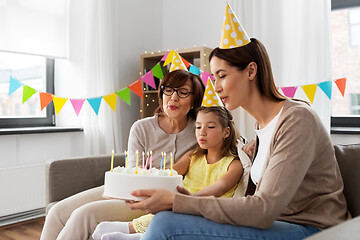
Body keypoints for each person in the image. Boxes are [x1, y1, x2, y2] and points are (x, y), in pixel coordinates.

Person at [125, 38, 351, 239]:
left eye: (222, 76)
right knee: (166, 219)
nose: (216, 86)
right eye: (213, 78)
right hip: (277, 223)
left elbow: (263, 209)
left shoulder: (296, 120)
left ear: (251, 71)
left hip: (313, 228)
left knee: (166, 224)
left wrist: (181, 202)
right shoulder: (261, 128)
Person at [40, 69, 205, 240]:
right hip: (126, 190)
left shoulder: (201, 131)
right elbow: (134, 174)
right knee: (57, 212)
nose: (173, 97)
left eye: (183, 92)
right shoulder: (141, 128)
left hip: (151, 202)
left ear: (194, 100)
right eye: (168, 90)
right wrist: (182, 164)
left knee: (83, 215)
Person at [92, 106, 244, 240]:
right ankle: (133, 230)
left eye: (210, 127)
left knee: (169, 217)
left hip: (207, 211)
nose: (202, 132)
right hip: (182, 205)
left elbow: (220, 187)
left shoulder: (234, 164)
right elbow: (169, 174)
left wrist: (188, 200)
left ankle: (135, 233)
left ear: (226, 132)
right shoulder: (193, 156)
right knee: (163, 214)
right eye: (198, 127)